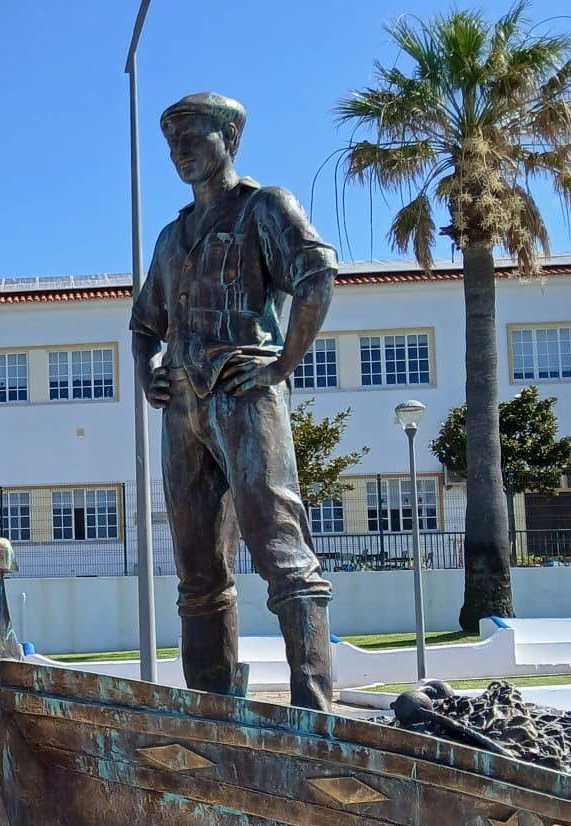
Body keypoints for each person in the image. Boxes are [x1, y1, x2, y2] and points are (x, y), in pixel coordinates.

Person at [129, 92, 338, 712]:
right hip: (183, 409)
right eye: (172, 144)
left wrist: (281, 365)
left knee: (280, 549)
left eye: (193, 137)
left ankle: (314, 706)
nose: (180, 152)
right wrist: (147, 375)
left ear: (229, 139)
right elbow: (144, 325)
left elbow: (317, 274)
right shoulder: (171, 237)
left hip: (245, 394)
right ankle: (212, 708)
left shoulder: (263, 207)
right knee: (197, 572)